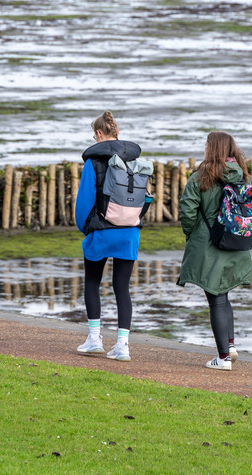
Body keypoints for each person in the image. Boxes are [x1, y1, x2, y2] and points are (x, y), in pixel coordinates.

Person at [178, 131, 252, 371]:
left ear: (211, 149)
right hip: (237, 242)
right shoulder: (243, 177)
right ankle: (229, 346)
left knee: (216, 299)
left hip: (209, 244)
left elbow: (187, 212)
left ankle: (222, 357)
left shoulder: (201, 177)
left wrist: (192, 235)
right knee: (223, 295)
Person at [74, 111, 141, 362]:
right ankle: (122, 345)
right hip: (129, 232)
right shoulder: (134, 160)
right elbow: (144, 198)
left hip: (101, 232)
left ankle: (94, 339)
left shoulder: (93, 162)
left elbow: (84, 202)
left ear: (99, 134)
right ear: (117, 133)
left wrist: (85, 228)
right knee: (121, 288)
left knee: (92, 282)